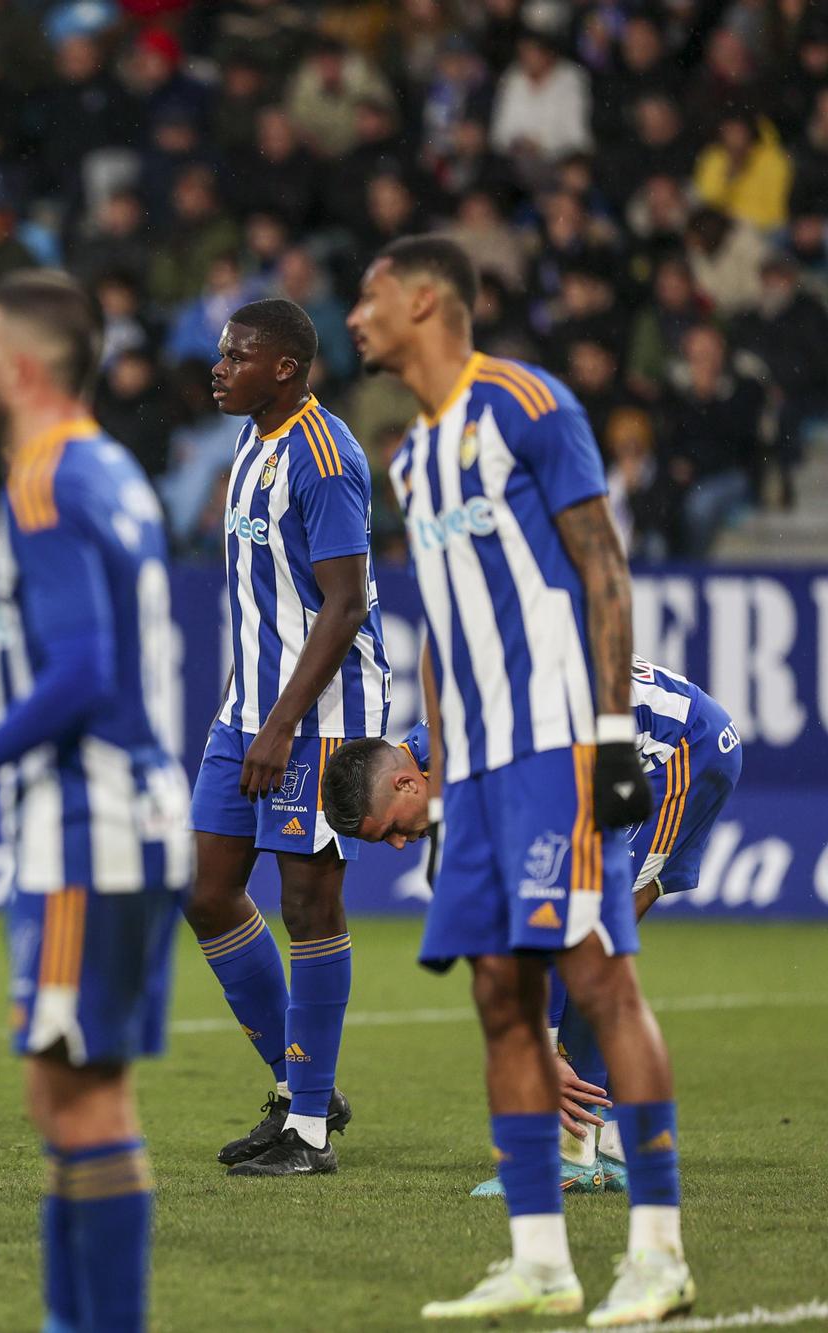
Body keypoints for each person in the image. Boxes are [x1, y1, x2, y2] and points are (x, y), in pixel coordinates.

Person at [347, 235, 691, 1326]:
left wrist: (607, 738)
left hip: (555, 744)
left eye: (366, 296)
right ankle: (540, 1258)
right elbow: (444, 631)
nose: (352, 317)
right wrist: (447, 774)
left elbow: (600, 562)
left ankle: (657, 1249)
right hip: (481, 771)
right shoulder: (410, 459)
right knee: (499, 994)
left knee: (596, 978)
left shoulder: (526, 403)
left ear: (423, 299)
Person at [0, 271, 189, 1333]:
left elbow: (83, 671)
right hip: (136, 814)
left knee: (77, 1096)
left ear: (19, 363)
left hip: (91, 823)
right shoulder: (113, 467)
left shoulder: (46, 475)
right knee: (73, 1093)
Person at [322, 656, 742, 1196]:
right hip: (641, 753)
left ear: (406, 782)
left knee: (586, 939)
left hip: (679, 750)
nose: (401, 844)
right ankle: (612, 1146)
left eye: (392, 831)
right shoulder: (452, 763)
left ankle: (577, 1155)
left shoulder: (480, 766)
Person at [188, 298, 390, 1178]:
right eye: (222, 353)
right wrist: (253, 715)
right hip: (249, 713)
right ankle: (299, 1080)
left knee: (309, 905)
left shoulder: (323, 455)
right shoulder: (253, 439)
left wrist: (281, 726)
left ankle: (307, 1130)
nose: (219, 367)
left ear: (286, 367)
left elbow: (344, 605)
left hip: (320, 717)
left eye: (237, 355)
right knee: (205, 888)